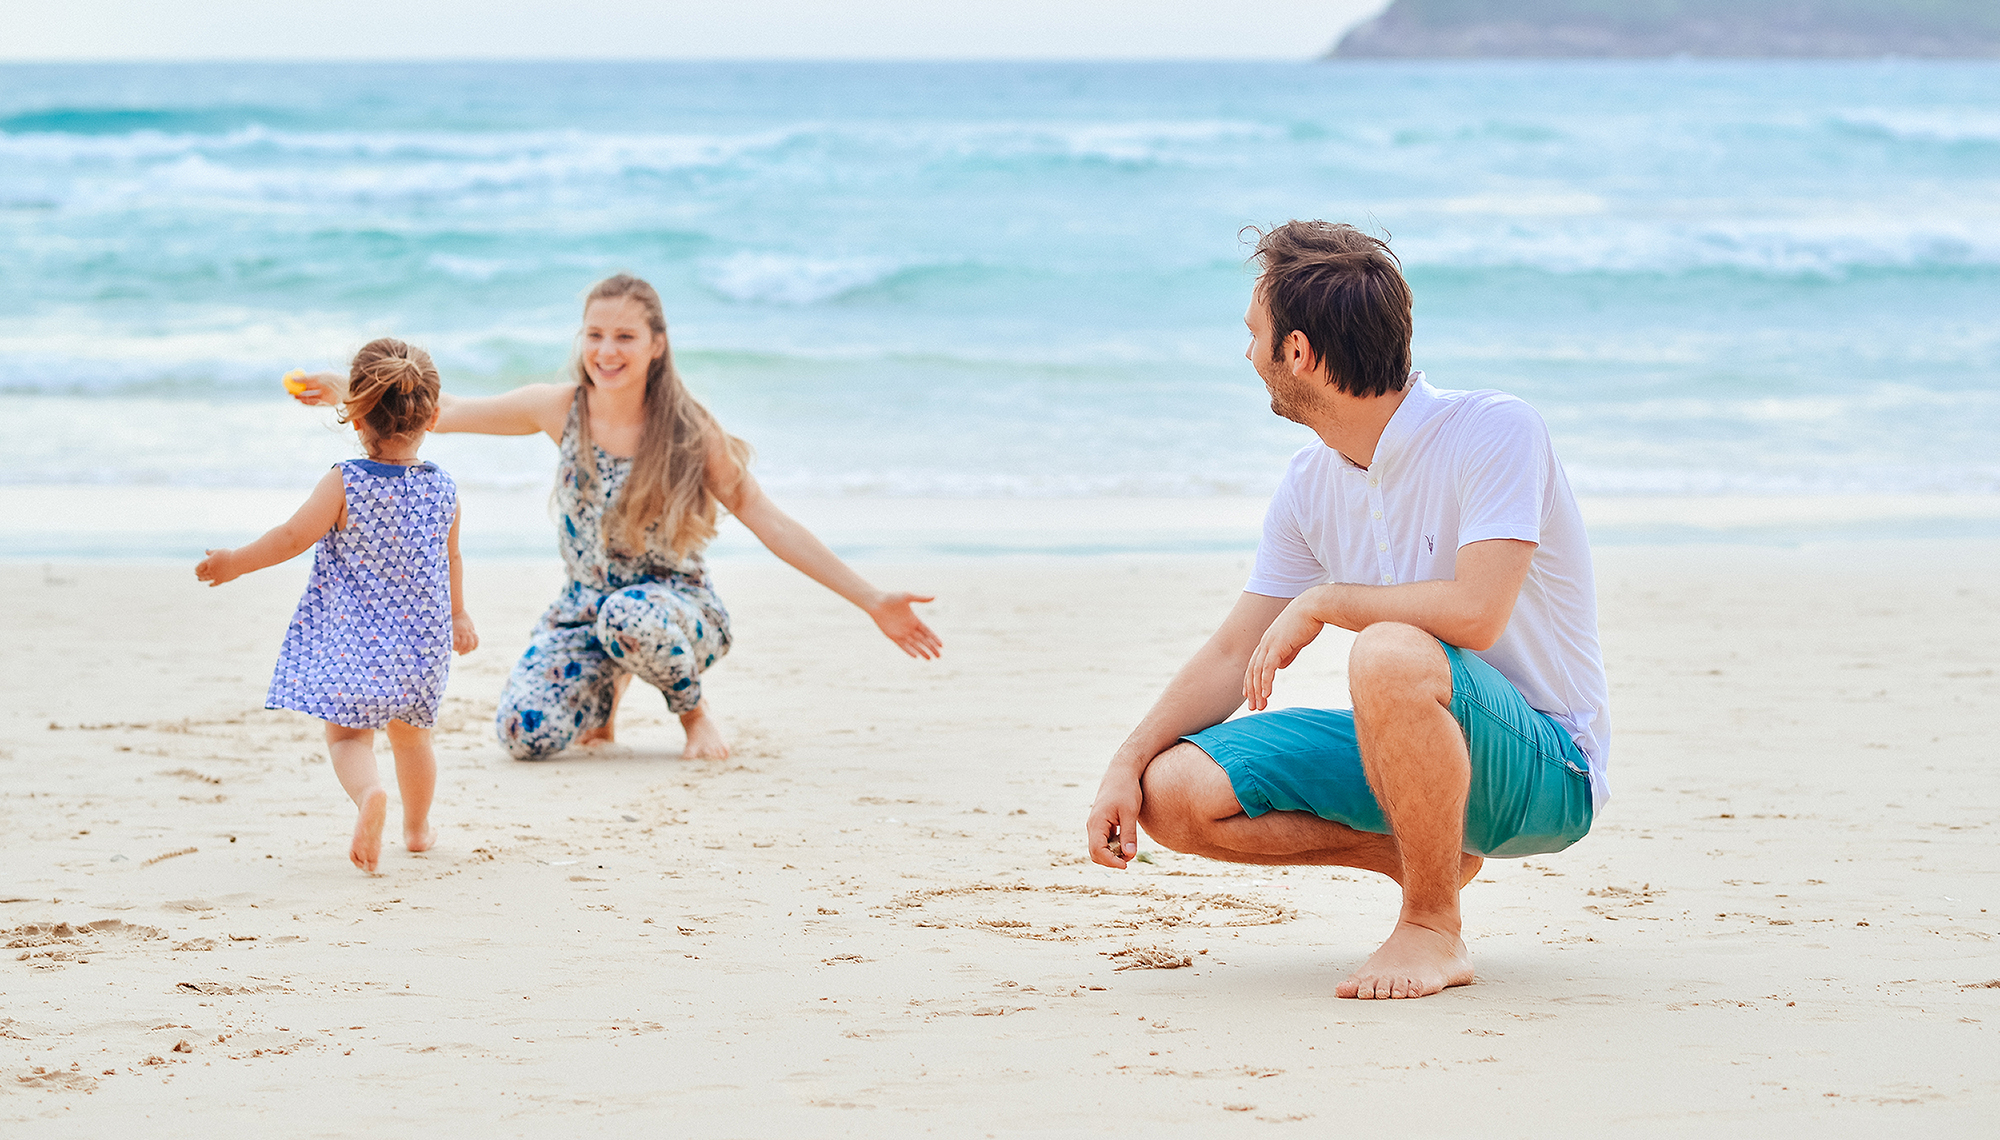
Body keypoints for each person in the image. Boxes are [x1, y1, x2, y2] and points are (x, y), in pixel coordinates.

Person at [1085, 222, 1608, 1001]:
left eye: (1254, 334)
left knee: (1389, 649)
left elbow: (1477, 613)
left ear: (1295, 353)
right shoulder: (1309, 483)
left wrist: (1327, 601)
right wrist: (1123, 765)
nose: (1249, 356)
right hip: (1409, 750)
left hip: (1543, 767)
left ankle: (1432, 925)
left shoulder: (1494, 429)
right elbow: (1237, 652)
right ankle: (1423, 853)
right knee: (1175, 791)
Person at [294, 273, 941, 762]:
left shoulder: (690, 431)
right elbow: (444, 410)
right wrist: (353, 390)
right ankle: (608, 688)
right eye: (595, 335)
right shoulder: (559, 408)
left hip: (677, 610)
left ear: (656, 345)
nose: (607, 350)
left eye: (625, 337)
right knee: (524, 734)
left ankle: (693, 713)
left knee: (628, 617)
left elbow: (767, 519)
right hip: (585, 607)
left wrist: (872, 599)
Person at [198, 338, 478, 873]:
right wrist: (460, 614)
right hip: (422, 650)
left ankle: (370, 793)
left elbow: (290, 538)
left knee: (349, 737)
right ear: (434, 416)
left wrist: (235, 561)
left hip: (355, 646)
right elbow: (453, 557)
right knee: (413, 740)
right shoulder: (443, 488)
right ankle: (417, 830)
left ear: (355, 418)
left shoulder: (345, 482)